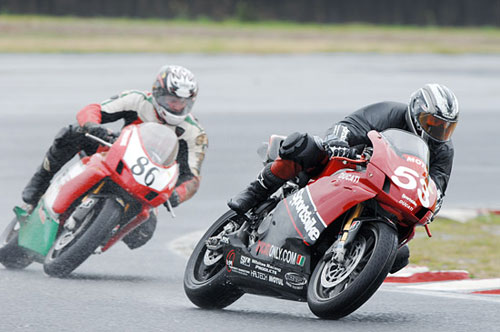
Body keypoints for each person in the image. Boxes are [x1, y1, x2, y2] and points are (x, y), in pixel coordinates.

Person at [228, 83, 459, 273]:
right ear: (417, 112)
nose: (438, 131)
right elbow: (349, 126)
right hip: (349, 165)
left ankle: (345, 266)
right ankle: (254, 192)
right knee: (303, 145)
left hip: (387, 192)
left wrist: (432, 204)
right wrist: (338, 143)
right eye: (433, 123)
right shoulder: (389, 112)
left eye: (446, 128)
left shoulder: (443, 151)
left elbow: (436, 187)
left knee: (399, 256)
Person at [21, 65, 208, 249]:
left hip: (148, 181)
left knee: (141, 235)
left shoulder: (195, 133)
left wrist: (177, 195)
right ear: (157, 93)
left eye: (182, 102)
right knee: (72, 133)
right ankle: (39, 183)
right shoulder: (137, 99)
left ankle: (98, 234)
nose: (175, 106)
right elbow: (92, 109)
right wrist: (94, 127)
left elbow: (192, 178)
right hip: (114, 154)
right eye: (170, 100)